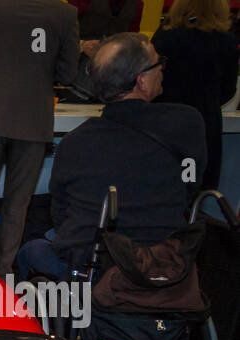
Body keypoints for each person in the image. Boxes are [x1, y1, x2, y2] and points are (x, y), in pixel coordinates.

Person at [17, 32, 207, 281]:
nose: (162, 69)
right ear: (141, 81)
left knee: (31, 250)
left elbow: (61, 211)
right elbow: (190, 182)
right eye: (158, 63)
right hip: (163, 261)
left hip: (92, 265)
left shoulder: (74, 142)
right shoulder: (187, 123)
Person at [0, 0, 78, 275]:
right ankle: (1, 274)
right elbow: (68, 73)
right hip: (34, 119)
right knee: (17, 206)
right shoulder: (65, 13)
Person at [152, 0, 239, 192]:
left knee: (165, 186)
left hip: (165, 121)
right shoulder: (226, 41)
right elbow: (228, 90)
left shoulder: (165, 38)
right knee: (198, 186)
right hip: (205, 123)